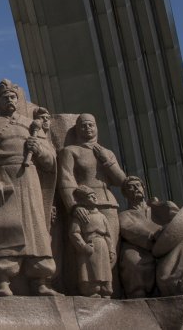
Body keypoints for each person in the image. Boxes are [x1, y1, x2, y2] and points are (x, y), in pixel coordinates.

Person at [0, 79, 60, 296]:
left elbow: (50, 162)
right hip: (5, 181)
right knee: (4, 230)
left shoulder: (31, 125)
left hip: (30, 181)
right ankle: (2, 280)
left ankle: (41, 281)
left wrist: (39, 149)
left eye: (13, 97)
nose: (10, 100)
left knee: (36, 231)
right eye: (5, 97)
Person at [57, 112, 128, 287]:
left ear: (96, 127)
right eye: (83, 125)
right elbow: (66, 180)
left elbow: (121, 181)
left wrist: (108, 162)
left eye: (91, 124)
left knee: (110, 249)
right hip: (84, 206)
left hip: (108, 204)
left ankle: (109, 289)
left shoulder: (107, 152)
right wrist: (74, 206)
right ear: (77, 129)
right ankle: (90, 288)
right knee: (87, 250)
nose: (87, 128)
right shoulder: (70, 151)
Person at [69, 187, 113, 298]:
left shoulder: (102, 216)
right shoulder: (81, 216)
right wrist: (83, 246)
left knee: (105, 271)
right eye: (90, 196)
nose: (94, 197)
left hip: (103, 245)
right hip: (90, 245)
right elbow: (74, 233)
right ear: (83, 201)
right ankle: (92, 291)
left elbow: (108, 235)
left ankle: (106, 290)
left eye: (94, 195)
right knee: (91, 271)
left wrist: (111, 250)